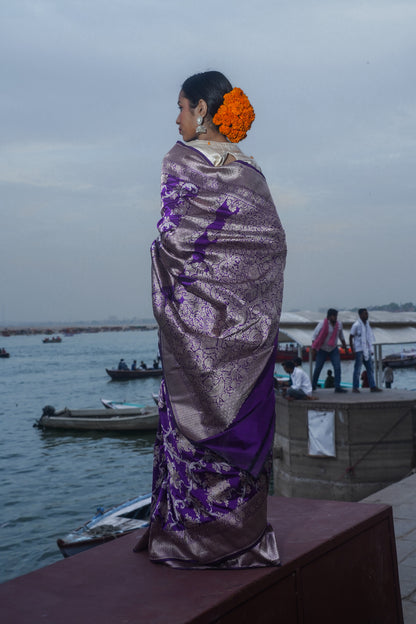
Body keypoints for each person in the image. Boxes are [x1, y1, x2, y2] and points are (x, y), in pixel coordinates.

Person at [134, 71, 286, 569]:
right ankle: (241, 538)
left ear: (202, 109)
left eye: (180, 106)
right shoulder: (252, 170)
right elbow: (269, 246)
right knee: (236, 417)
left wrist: (163, 261)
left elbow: (176, 239)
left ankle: (191, 538)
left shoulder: (180, 162)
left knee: (190, 418)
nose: (175, 117)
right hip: (248, 330)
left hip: (194, 320)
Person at [311, 309, 348, 392]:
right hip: (322, 349)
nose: (335, 317)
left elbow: (341, 336)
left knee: (337, 367)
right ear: (329, 316)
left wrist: (345, 348)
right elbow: (314, 336)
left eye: (336, 316)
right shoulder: (322, 324)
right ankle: (313, 385)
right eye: (334, 316)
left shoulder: (339, 325)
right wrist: (314, 349)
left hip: (333, 348)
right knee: (318, 368)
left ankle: (337, 387)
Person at [349, 309, 382, 393]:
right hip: (359, 350)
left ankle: (373, 386)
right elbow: (351, 337)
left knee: (370, 368)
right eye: (365, 314)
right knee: (357, 369)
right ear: (360, 315)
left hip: (366, 350)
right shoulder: (356, 325)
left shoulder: (367, 325)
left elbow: (369, 337)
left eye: (367, 314)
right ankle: (355, 387)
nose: (367, 315)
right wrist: (352, 350)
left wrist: (370, 349)